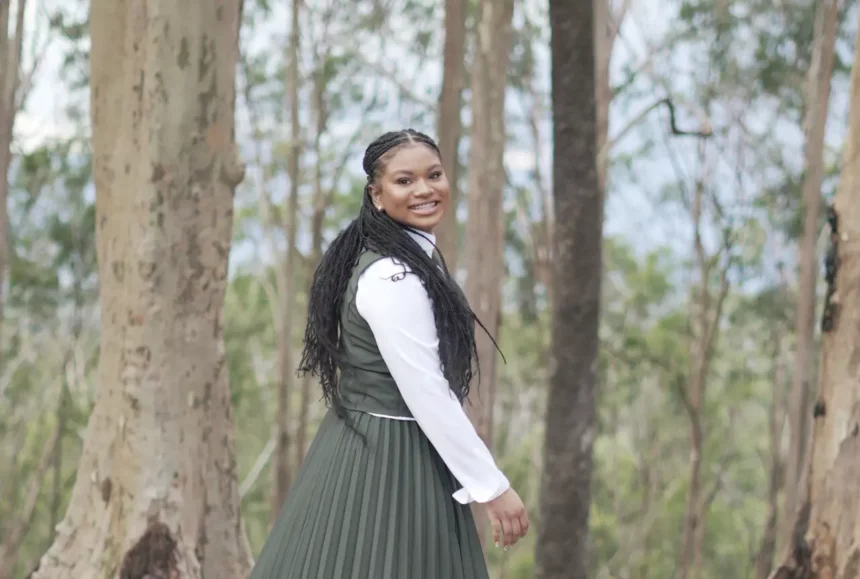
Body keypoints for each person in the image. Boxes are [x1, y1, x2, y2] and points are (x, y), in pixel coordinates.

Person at [250, 129, 529, 579]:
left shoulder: (404, 258)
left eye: (434, 175)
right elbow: (425, 389)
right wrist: (492, 487)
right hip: (389, 461)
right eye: (405, 181)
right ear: (376, 196)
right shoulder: (391, 276)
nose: (424, 189)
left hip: (381, 446)